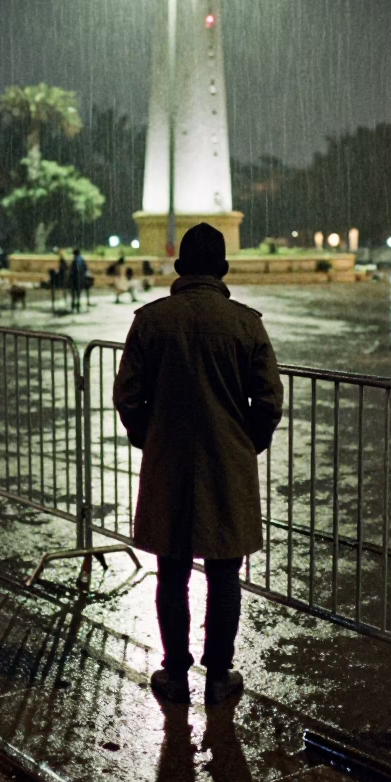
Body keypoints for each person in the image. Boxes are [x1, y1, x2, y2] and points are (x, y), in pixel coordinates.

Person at [113, 222, 284, 705]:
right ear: (223, 268)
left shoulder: (151, 320)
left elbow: (127, 395)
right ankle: (218, 676)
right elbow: (269, 399)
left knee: (172, 572)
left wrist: (151, 436)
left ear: (180, 265)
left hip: (169, 464)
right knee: (225, 573)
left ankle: (174, 673)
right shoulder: (246, 323)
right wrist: (246, 442)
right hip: (227, 464)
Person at [69, 248, 88, 312]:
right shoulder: (81, 259)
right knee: (78, 292)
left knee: (73, 292)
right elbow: (85, 268)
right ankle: (78, 305)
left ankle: (73, 305)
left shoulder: (75, 260)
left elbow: (72, 270)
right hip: (81, 278)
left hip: (75, 278)